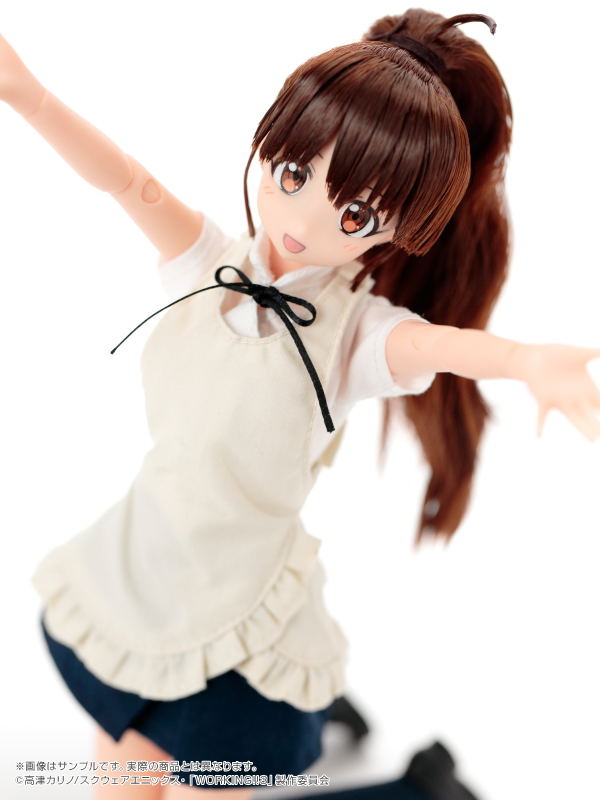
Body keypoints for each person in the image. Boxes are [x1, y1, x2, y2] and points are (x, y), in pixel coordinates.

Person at [2, 8, 599, 799]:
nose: (303, 220)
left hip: (240, 607)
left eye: (355, 215)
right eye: (293, 174)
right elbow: (125, 179)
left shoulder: (354, 334)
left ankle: (417, 788)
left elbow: (439, 347)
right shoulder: (205, 263)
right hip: (145, 564)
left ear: (398, 233)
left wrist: (526, 361)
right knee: (122, 777)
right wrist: (29, 95)